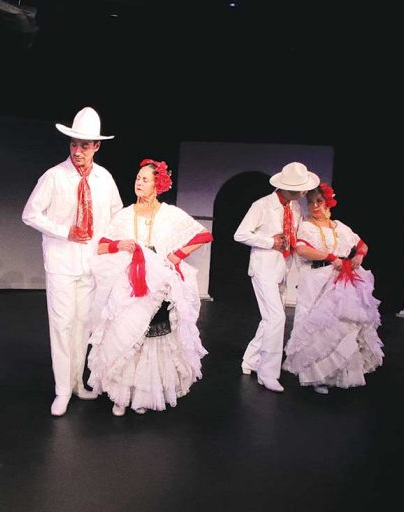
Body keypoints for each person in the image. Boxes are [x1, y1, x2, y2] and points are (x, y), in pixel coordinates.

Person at [87, 159, 213, 416]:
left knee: (153, 336)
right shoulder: (125, 215)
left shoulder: (169, 214)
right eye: (137, 178)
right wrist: (119, 245)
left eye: (145, 179)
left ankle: (144, 393)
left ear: (158, 184)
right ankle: (121, 395)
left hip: (160, 282)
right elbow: (101, 245)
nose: (139, 182)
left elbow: (203, 235)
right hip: (131, 281)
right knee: (125, 331)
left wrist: (176, 256)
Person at [22, 107, 123, 416]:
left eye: (84, 145)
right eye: (74, 144)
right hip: (61, 263)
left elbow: (117, 215)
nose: (78, 151)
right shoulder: (54, 177)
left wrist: (113, 246)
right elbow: (30, 214)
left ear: (97, 147)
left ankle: (78, 383)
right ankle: (62, 390)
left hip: (92, 264)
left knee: (84, 326)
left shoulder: (104, 178)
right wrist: (65, 231)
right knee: (62, 325)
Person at [282, 184, 384, 393]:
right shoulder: (305, 226)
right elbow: (301, 249)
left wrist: (359, 255)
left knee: (340, 326)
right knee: (317, 326)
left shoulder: (340, 227)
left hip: (341, 280)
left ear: (328, 202)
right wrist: (329, 257)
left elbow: (362, 244)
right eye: (310, 202)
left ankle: (340, 374)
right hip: (316, 278)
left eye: (318, 201)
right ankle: (315, 376)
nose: (314, 205)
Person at [234, 162, 319, 393]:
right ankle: (268, 373)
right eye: (300, 189)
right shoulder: (262, 205)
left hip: (282, 267)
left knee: (270, 319)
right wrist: (270, 241)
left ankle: (250, 360)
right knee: (276, 318)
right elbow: (240, 234)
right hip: (263, 268)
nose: (304, 193)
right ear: (286, 187)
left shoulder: (295, 207)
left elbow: (295, 234)